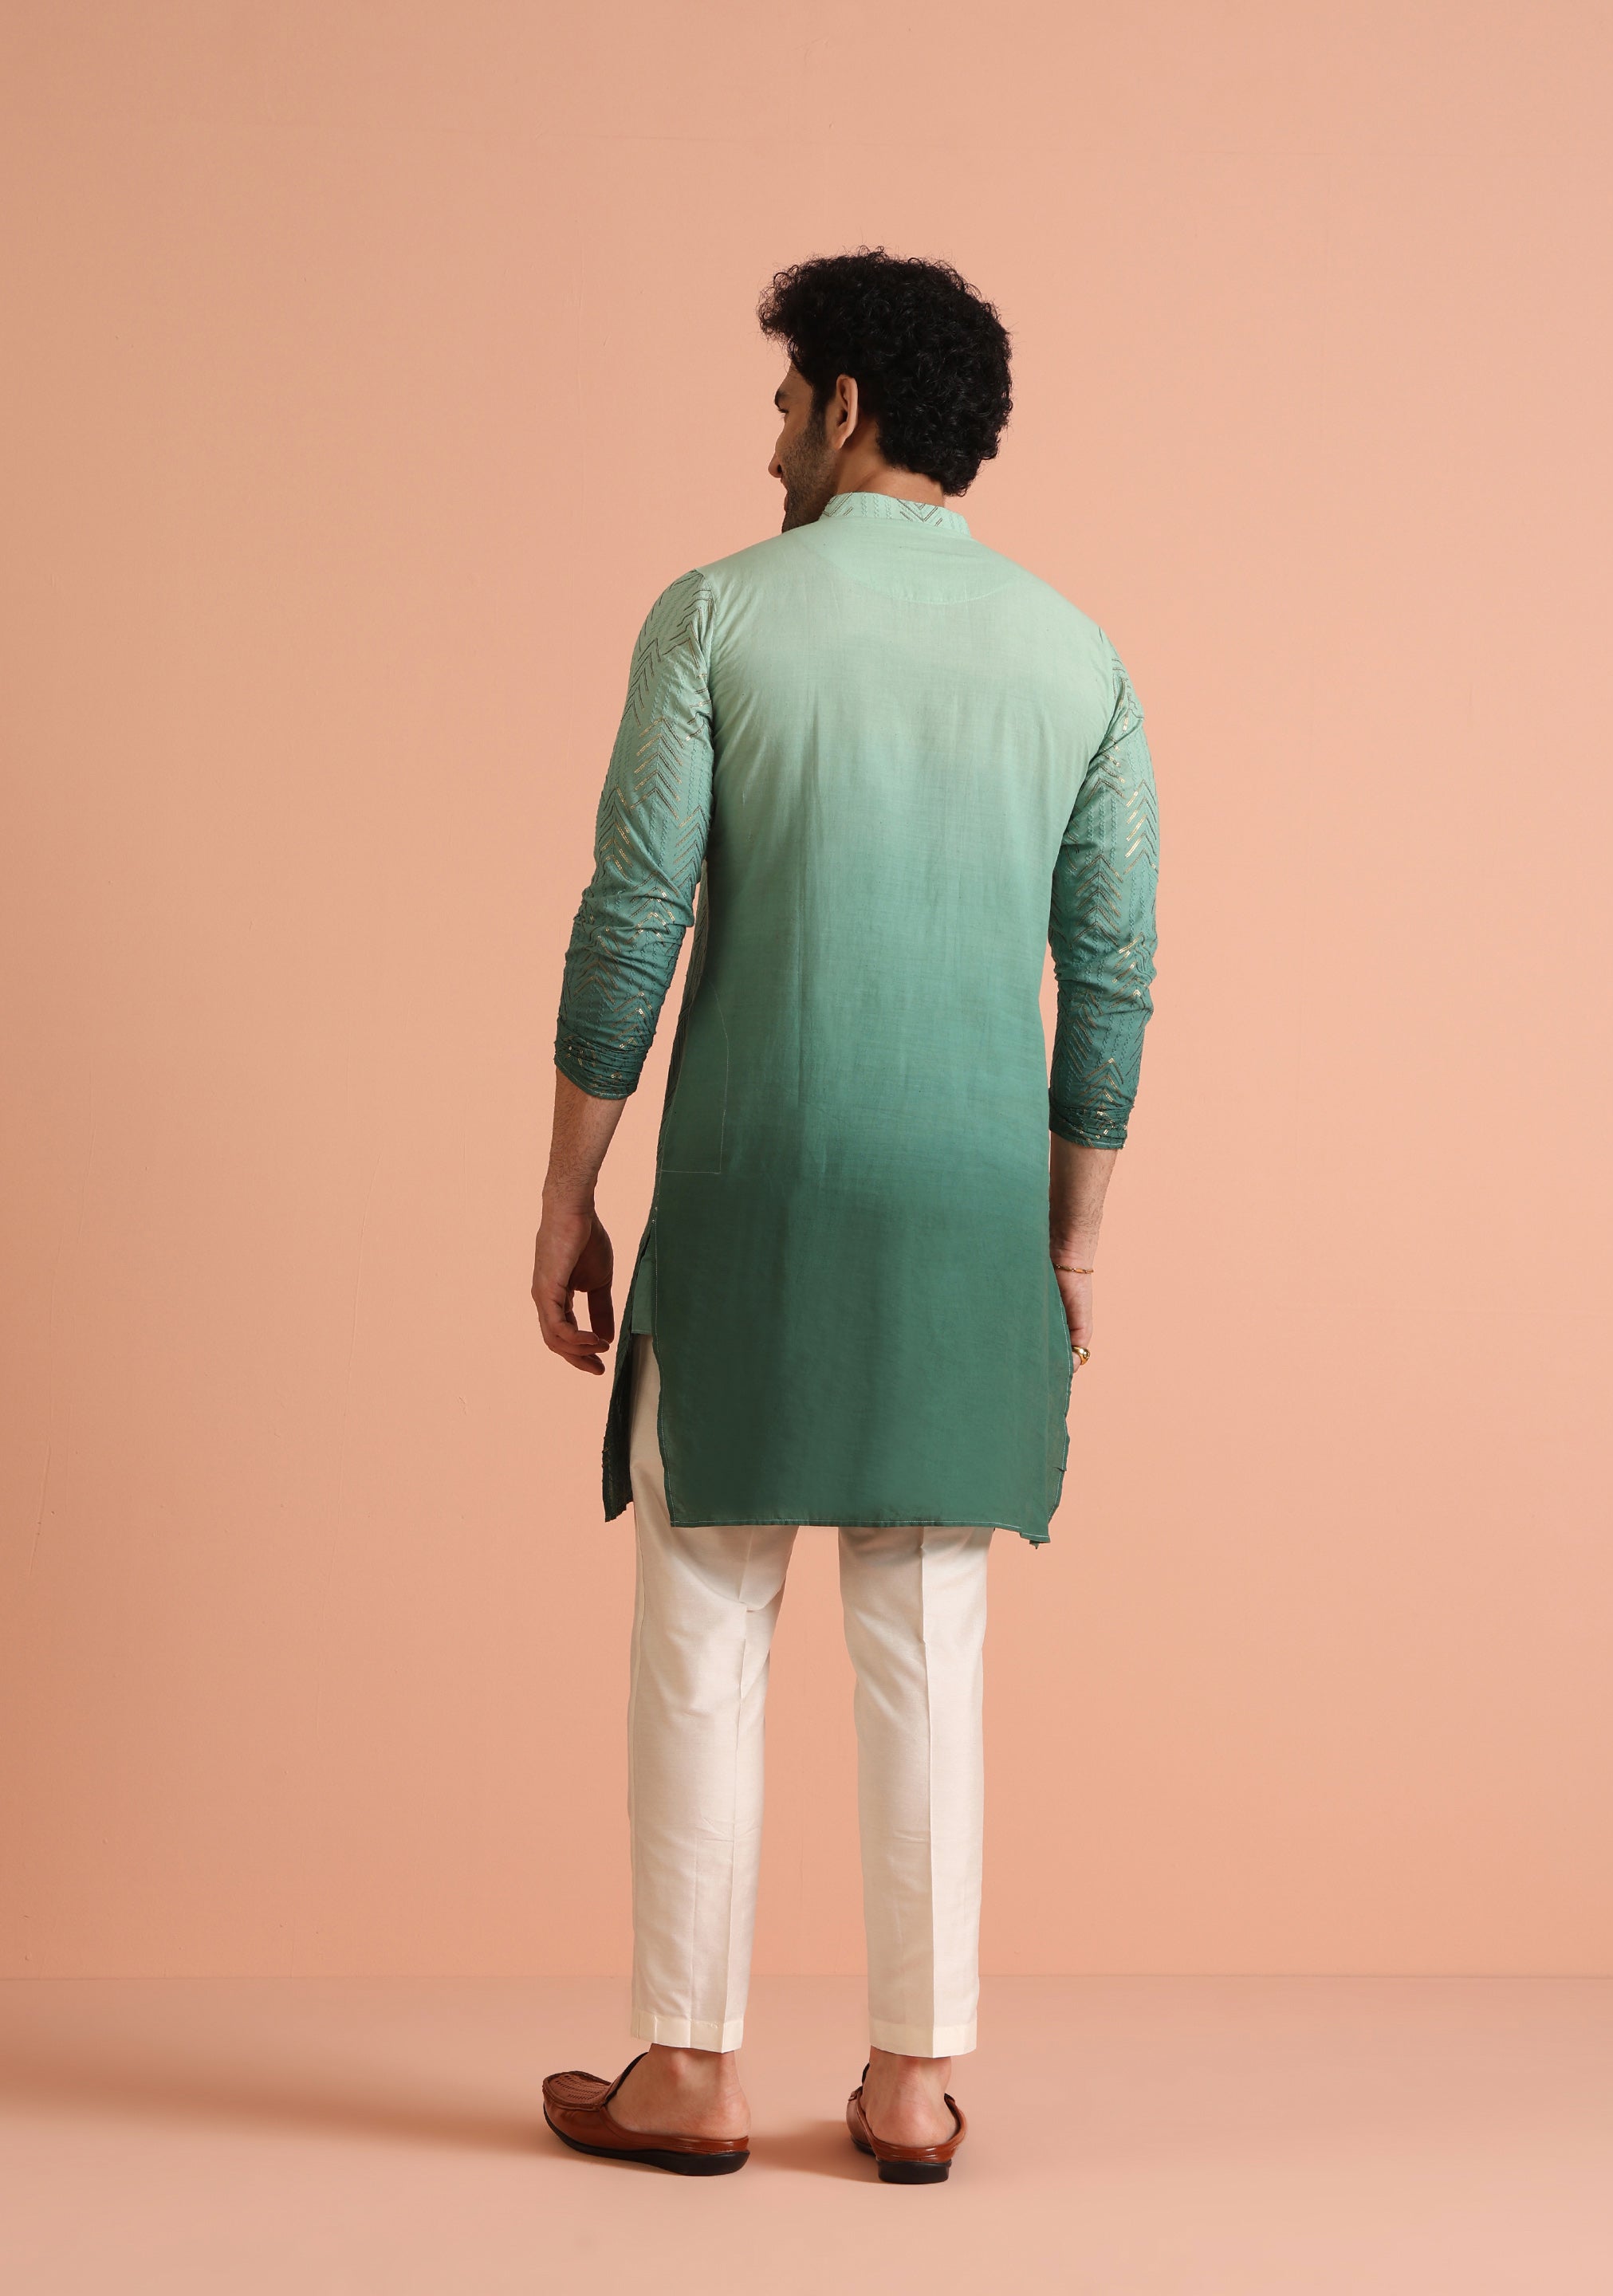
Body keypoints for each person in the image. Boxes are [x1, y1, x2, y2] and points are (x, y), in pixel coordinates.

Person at [531, 250, 1159, 2183]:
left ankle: (689, 2069)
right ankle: (910, 2083)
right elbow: (1112, 976)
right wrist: (1068, 1242)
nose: (772, 441)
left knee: (704, 1618)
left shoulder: (718, 613)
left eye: (786, 401)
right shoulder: (1079, 657)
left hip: (752, 1194)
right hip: (967, 1213)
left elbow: (635, 919)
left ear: (847, 408)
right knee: (929, 1633)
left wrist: (567, 1189)